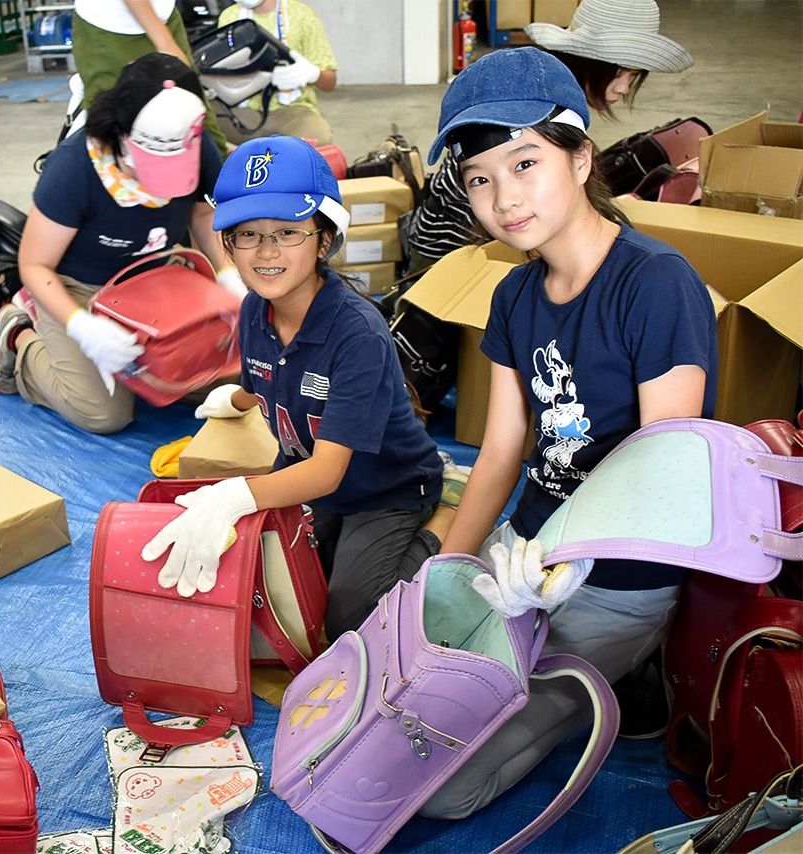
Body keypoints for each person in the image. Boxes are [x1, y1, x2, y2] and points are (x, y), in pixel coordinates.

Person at [416, 47, 717, 819]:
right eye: (480, 178)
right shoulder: (516, 294)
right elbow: (501, 451)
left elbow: (663, 470)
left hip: (613, 576)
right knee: (406, 693)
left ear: (581, 156)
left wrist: (561, 564)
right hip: (524, 552)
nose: (502, 197)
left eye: (524, 163)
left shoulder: (656, 282)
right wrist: (446, 573)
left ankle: (622, 673)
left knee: (442, 782)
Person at [139, 135, 448, 639]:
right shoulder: (254, 311)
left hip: (383, 489)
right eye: (247, 235)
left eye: (287, 232)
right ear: (228, 244)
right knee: (266, 588)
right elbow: (263, 377)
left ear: (324, 240)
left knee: (351, 616)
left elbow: (327, 472)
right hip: (306, 476)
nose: (266, 252)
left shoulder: (357, 334)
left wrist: (233, 495)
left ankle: (443, 527)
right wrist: (235, 399)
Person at [0, 54, 242, 435]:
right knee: (105, 414)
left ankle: (130, 368)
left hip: (160, 278)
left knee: (220, 380)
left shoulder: (196, 143)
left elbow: (201, 213)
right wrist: (81, 325)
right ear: (122, 138)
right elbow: (35, 265)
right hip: (79, 289)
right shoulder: (74, 169)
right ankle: (19, 336)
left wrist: (227, 273)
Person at [404, 0, 693, 268]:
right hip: (450, 255)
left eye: (634, 76)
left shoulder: (554, 104)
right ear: (591, 63)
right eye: (620, 73)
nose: (624, 88)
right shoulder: (535, 110)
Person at [71, 0, 228, 152]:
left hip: (161, 18)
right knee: (117, 136)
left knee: (196, 119)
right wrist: (165, 43)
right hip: (112, 28)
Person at [215, 0, 338, 145]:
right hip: (242, 111)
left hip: (292, 112)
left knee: (319, 140)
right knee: (203, 122)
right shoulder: (230, 16)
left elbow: (329, 82)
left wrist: (312, 74)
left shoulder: (301, 14)